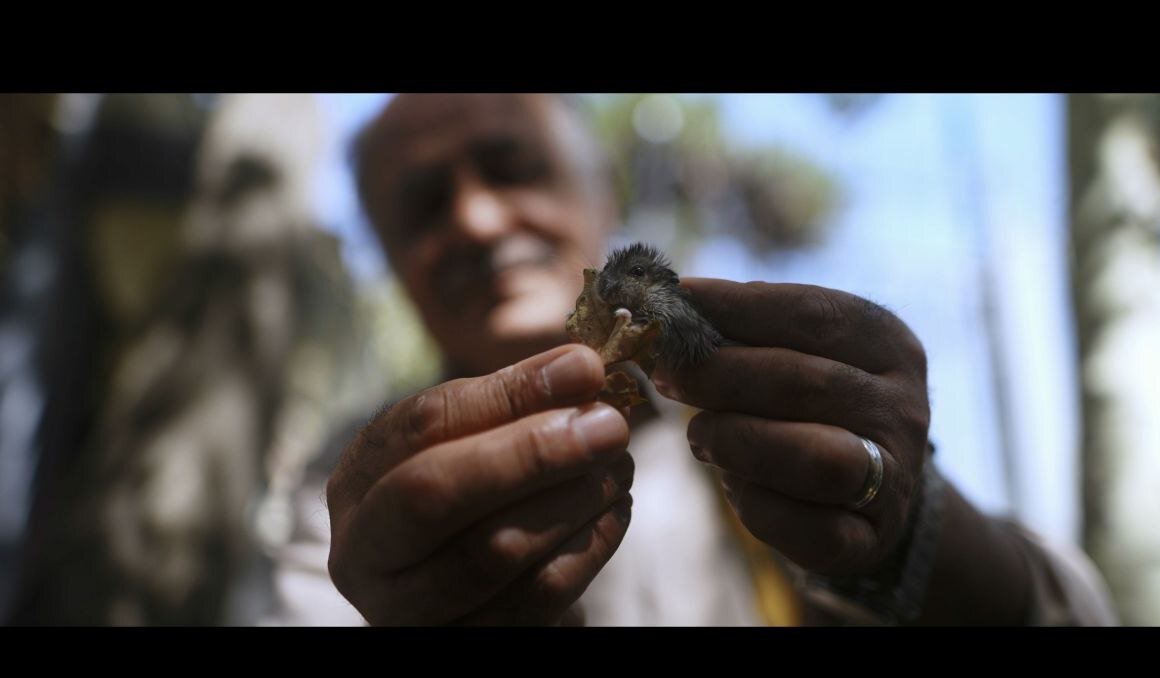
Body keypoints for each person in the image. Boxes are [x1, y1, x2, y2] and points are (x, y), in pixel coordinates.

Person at [265, 93, 1116, 626]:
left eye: (511, 167)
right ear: (393, 263)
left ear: (601, 198)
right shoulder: (346, 498)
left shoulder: (758, 401)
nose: (479, 220)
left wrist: (905, 525)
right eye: (422, 208)